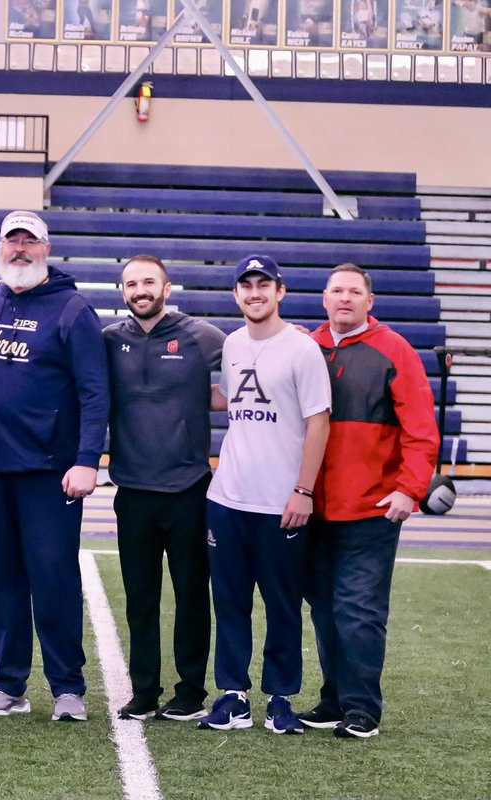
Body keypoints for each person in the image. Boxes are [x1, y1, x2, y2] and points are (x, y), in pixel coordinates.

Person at [0, 211, 109, 722]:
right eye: (12, 241)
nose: (20, 249)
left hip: (51, 472)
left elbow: (95, 391)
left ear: (46, 249)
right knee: (3, 579)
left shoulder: (72, 309)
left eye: (30, 241)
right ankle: (8, 685)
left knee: (53, 579)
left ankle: (68, 687)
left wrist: (88, 459)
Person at [301, 264, 439, 739]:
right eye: (336, 290)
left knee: (358, 609)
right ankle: (333, 699)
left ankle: (362, 709)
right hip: (312, 508)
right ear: (324, 298)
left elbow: (422, 430)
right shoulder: (306, 346)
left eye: (354, 292)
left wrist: (409, 489)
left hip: (372, 508)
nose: (344, 298)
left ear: (369, 301)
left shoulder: (395, 350)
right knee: (323, 608)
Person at [200, 254, 331, 734]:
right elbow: (231, 400)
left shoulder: (301, 348)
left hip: (282, 503)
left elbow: (319, 420)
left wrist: (303, 490)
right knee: (230, 602)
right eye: (246, 286)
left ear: (280, 291)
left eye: (264, 285)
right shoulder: (233, 343)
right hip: (228, 498)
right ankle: (233, 695)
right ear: (236, 294)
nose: (255, 293)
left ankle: (280, 698)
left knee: (281, 605)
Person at [104, 255, 224, 722]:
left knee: (192, 596)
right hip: (132, 491)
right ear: (122, 291)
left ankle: (190, 691)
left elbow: (254, 352)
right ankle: (144, 690)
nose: (140, 289)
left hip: (188, 489)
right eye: (131, 283)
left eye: (148, 281)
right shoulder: (109, 340)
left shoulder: (200, 334)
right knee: (140, 598)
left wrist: (294, 337)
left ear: (167, 287)